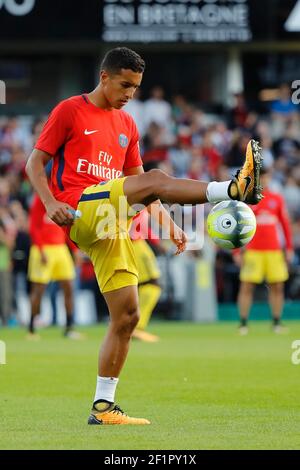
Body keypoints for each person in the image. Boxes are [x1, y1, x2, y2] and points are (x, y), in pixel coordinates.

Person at [25, 47, 262, 425]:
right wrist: (50, 201)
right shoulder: (70, 109)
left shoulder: (127, 125)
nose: (130, 93)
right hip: (78, 207)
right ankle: (232, 189)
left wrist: (170, 228)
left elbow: (147, 191)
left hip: (111, 223)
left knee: (128, 316)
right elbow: (33, 162)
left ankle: (103, 406)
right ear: (104, 77)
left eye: (136, 87)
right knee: (155, 177)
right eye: (125, 84)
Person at [236, 168, 294, 335]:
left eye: (266, 177)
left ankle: (276, 322)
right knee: (247, 286)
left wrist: (288, 248)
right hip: (253, 251)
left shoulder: (277, 199)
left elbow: (285, 225)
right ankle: (243, 323)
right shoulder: (248, 200)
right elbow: (239, 227)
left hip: (274, 251)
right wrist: (237, 252)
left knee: (277, 286)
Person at [27, 192, 81, 339]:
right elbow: (33, 226)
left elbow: (68, 227)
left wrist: (75, 250)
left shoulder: (63, 197)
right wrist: (40, 248)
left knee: (69, 287)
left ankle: (69, 327)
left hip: (60, 249)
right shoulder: (41, 199)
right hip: (43, 249)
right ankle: (31, 328)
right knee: (39, 290)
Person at [130, 210, 162, 343]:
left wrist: (155, 241)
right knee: (152, 285)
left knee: (141, 286)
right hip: (135, 244)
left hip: (138, 243)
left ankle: (131, 326)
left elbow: (141, 224)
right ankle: (137, 328)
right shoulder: (136, 196)